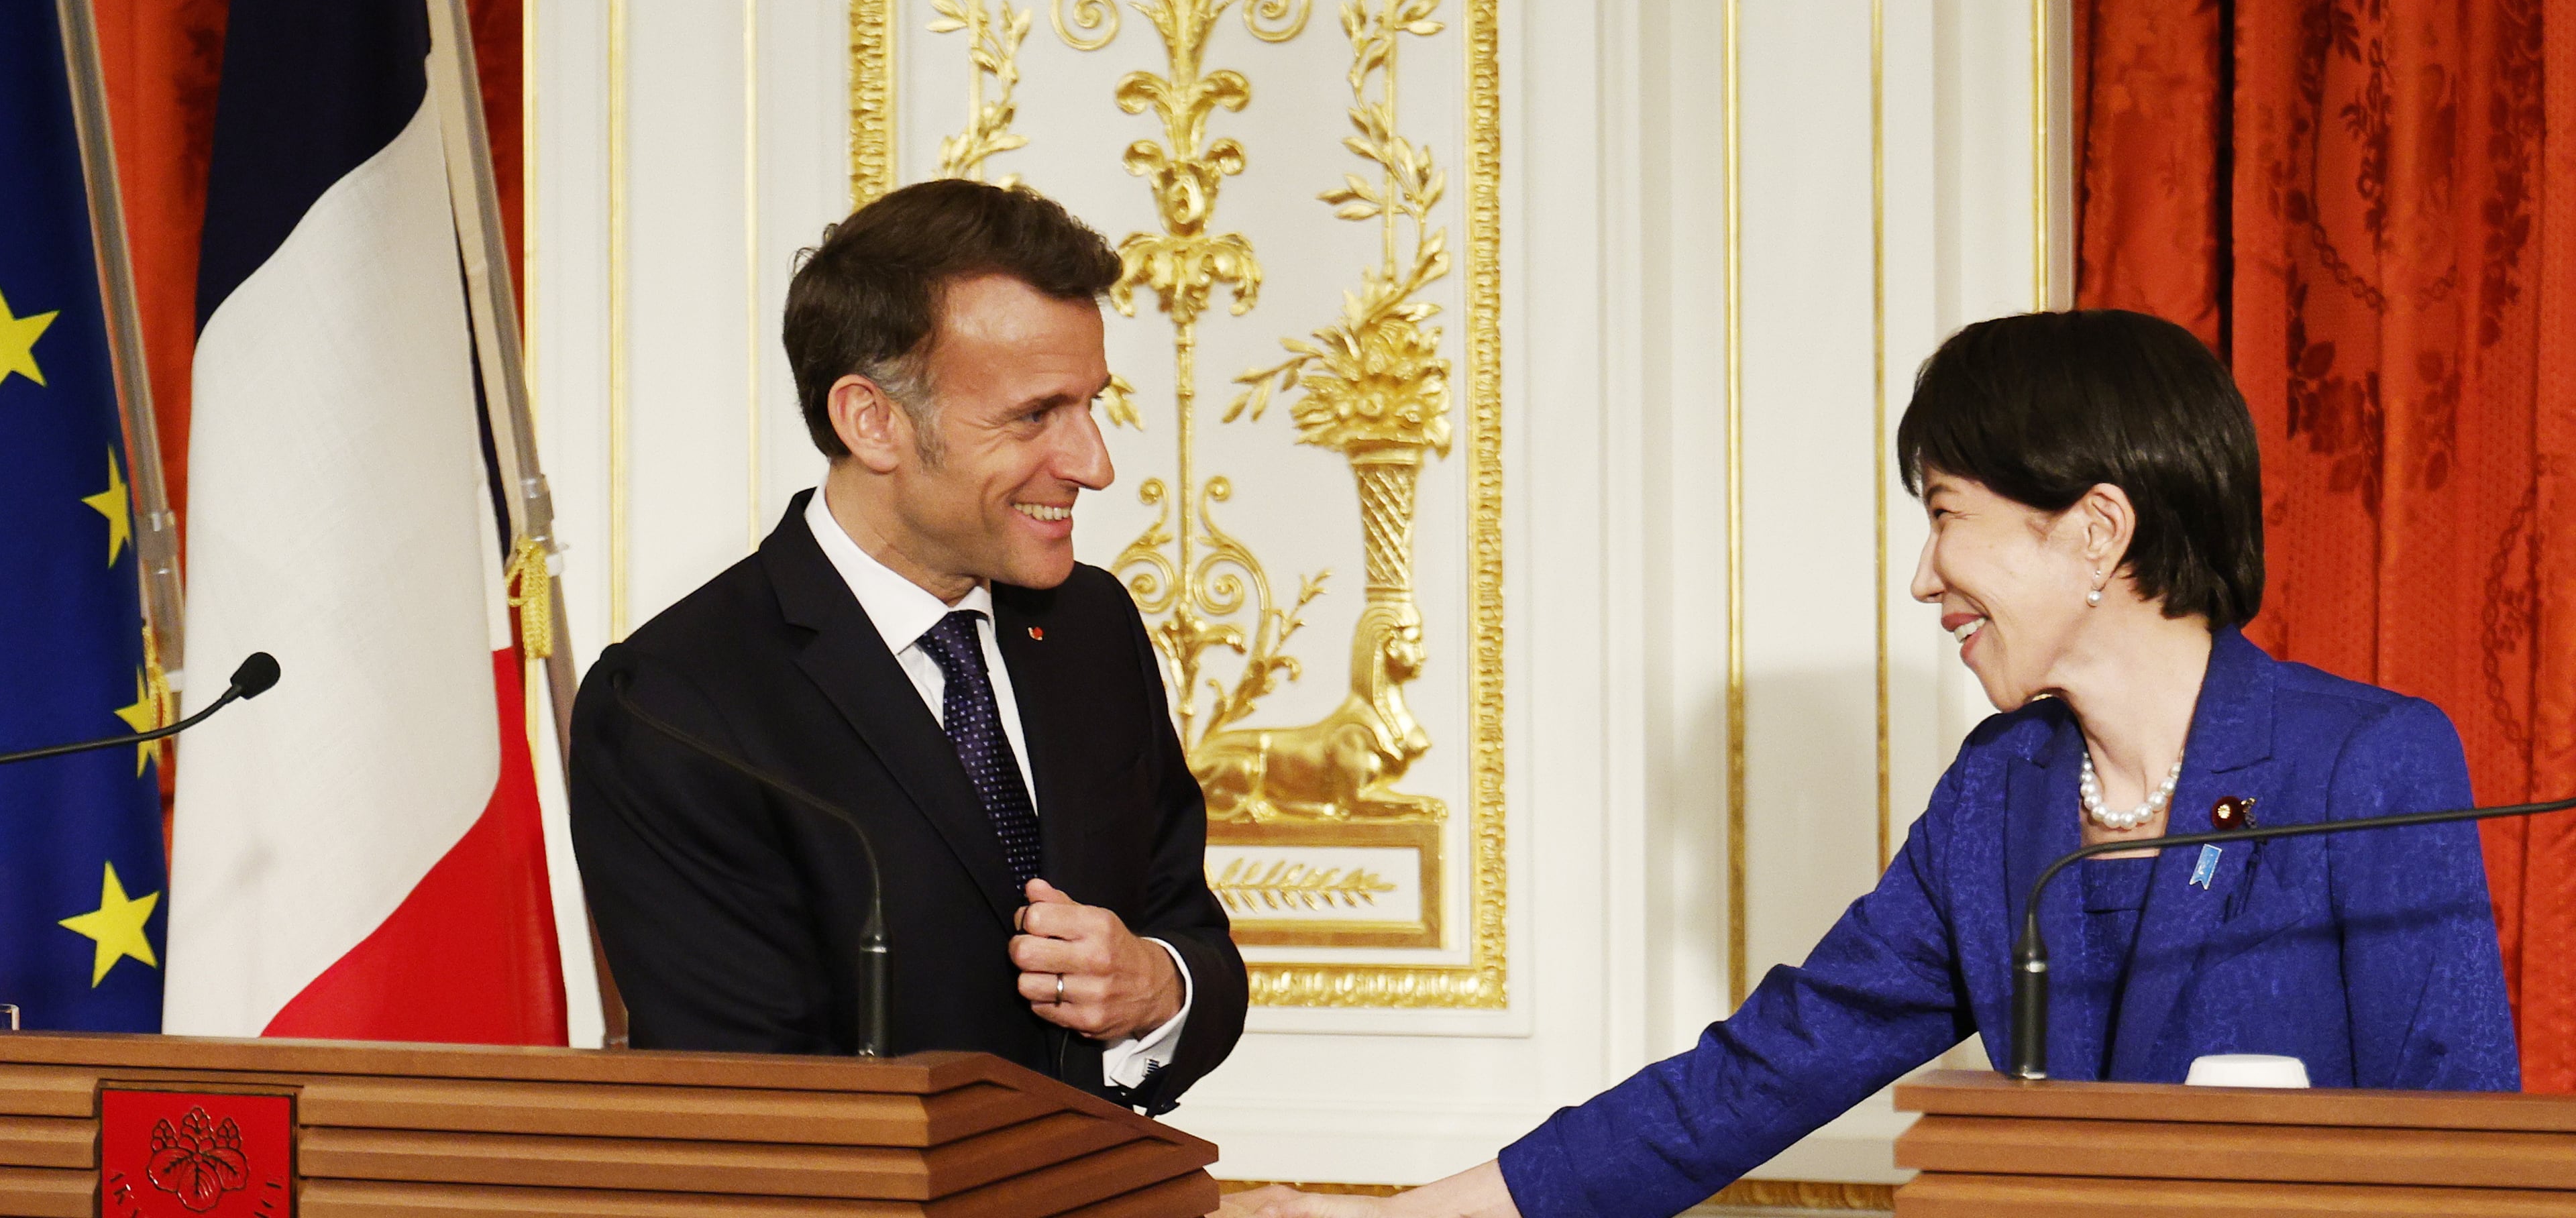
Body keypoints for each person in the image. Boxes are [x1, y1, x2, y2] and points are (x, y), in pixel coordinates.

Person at [1244, 309, 2518, 1217]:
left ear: (2097, 531)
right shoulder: (2002, 790)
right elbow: (1769, 1066)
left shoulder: (2369, 764)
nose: (1924, 578)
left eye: (1948, 517)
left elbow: (2469, 1162)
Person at [569, 179, 1246, 1113]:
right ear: (872, 421)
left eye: (1092, 405)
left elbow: (1191, 937)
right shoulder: (676, 703)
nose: (1094, 463)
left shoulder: (1091, 627)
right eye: (1034, 415)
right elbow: (750, 1112)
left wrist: (1156, 990)